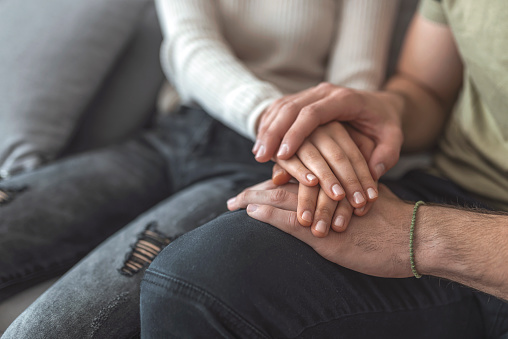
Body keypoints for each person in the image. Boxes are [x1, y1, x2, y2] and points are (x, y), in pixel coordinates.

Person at [1, 0, 399, 337]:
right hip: (173, 138)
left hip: (269, 160)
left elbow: (354, 85)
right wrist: (271, 116)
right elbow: (190, 47)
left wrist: (319, 144)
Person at [139, 0, 508, 337]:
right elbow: (426, 89)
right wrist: (385, 110)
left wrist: (419, 235)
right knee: (193, 282)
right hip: (445, 189)